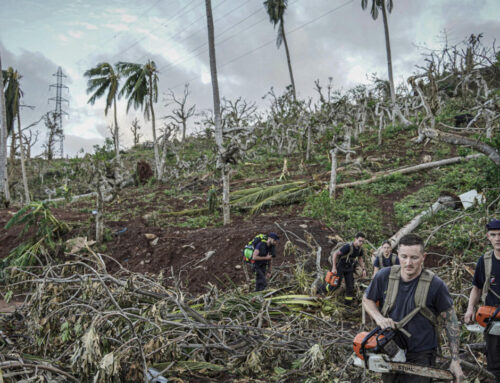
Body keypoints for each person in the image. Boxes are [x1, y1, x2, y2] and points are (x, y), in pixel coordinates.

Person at [363, 233, 464, 383]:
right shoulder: (384, 276)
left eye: (414, 258)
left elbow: (451, 321)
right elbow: (367, 299)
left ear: (424, 257)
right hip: (390, 350)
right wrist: (379, 318)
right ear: (398, 255)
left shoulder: (435, 285)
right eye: (404, 257)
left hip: (421, 354)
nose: (408, 263)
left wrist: (455, 360)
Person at [464, 218, 500, 382]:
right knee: (494, 362)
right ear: (488, 237)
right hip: (492, 318)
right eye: (493, 235)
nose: (498, 238)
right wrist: (470, 308)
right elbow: (477, 288)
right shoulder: (484, 261)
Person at [330, 232, 367, 305]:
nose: (361, 243)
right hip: (340, 266)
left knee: (350, 286)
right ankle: (324, 291)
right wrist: (334, 267)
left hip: (349, 267)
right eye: (360, 241)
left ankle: (347, 304)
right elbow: (335, 254)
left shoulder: (360, 249)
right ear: (355, 239)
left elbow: (360, 259)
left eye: (362, 241)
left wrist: (363, 269)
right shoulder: (347, 247)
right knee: (336, 283)